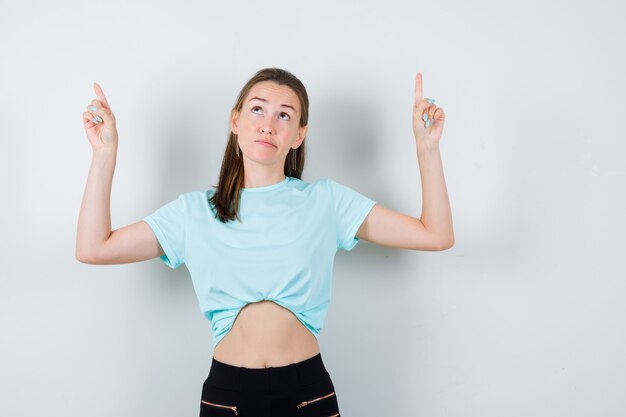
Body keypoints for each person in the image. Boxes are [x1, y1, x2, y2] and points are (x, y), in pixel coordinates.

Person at [76, 67, 453, 417]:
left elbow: (434, 235)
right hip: (229, 396)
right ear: (235, 120)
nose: (269, 125)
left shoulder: (327, 201)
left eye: (284, 115)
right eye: (258, 110)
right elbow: (94, 248)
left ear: (299, 135)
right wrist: (104, 154)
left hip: (307, 392)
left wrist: (427, 149)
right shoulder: (193, 212)